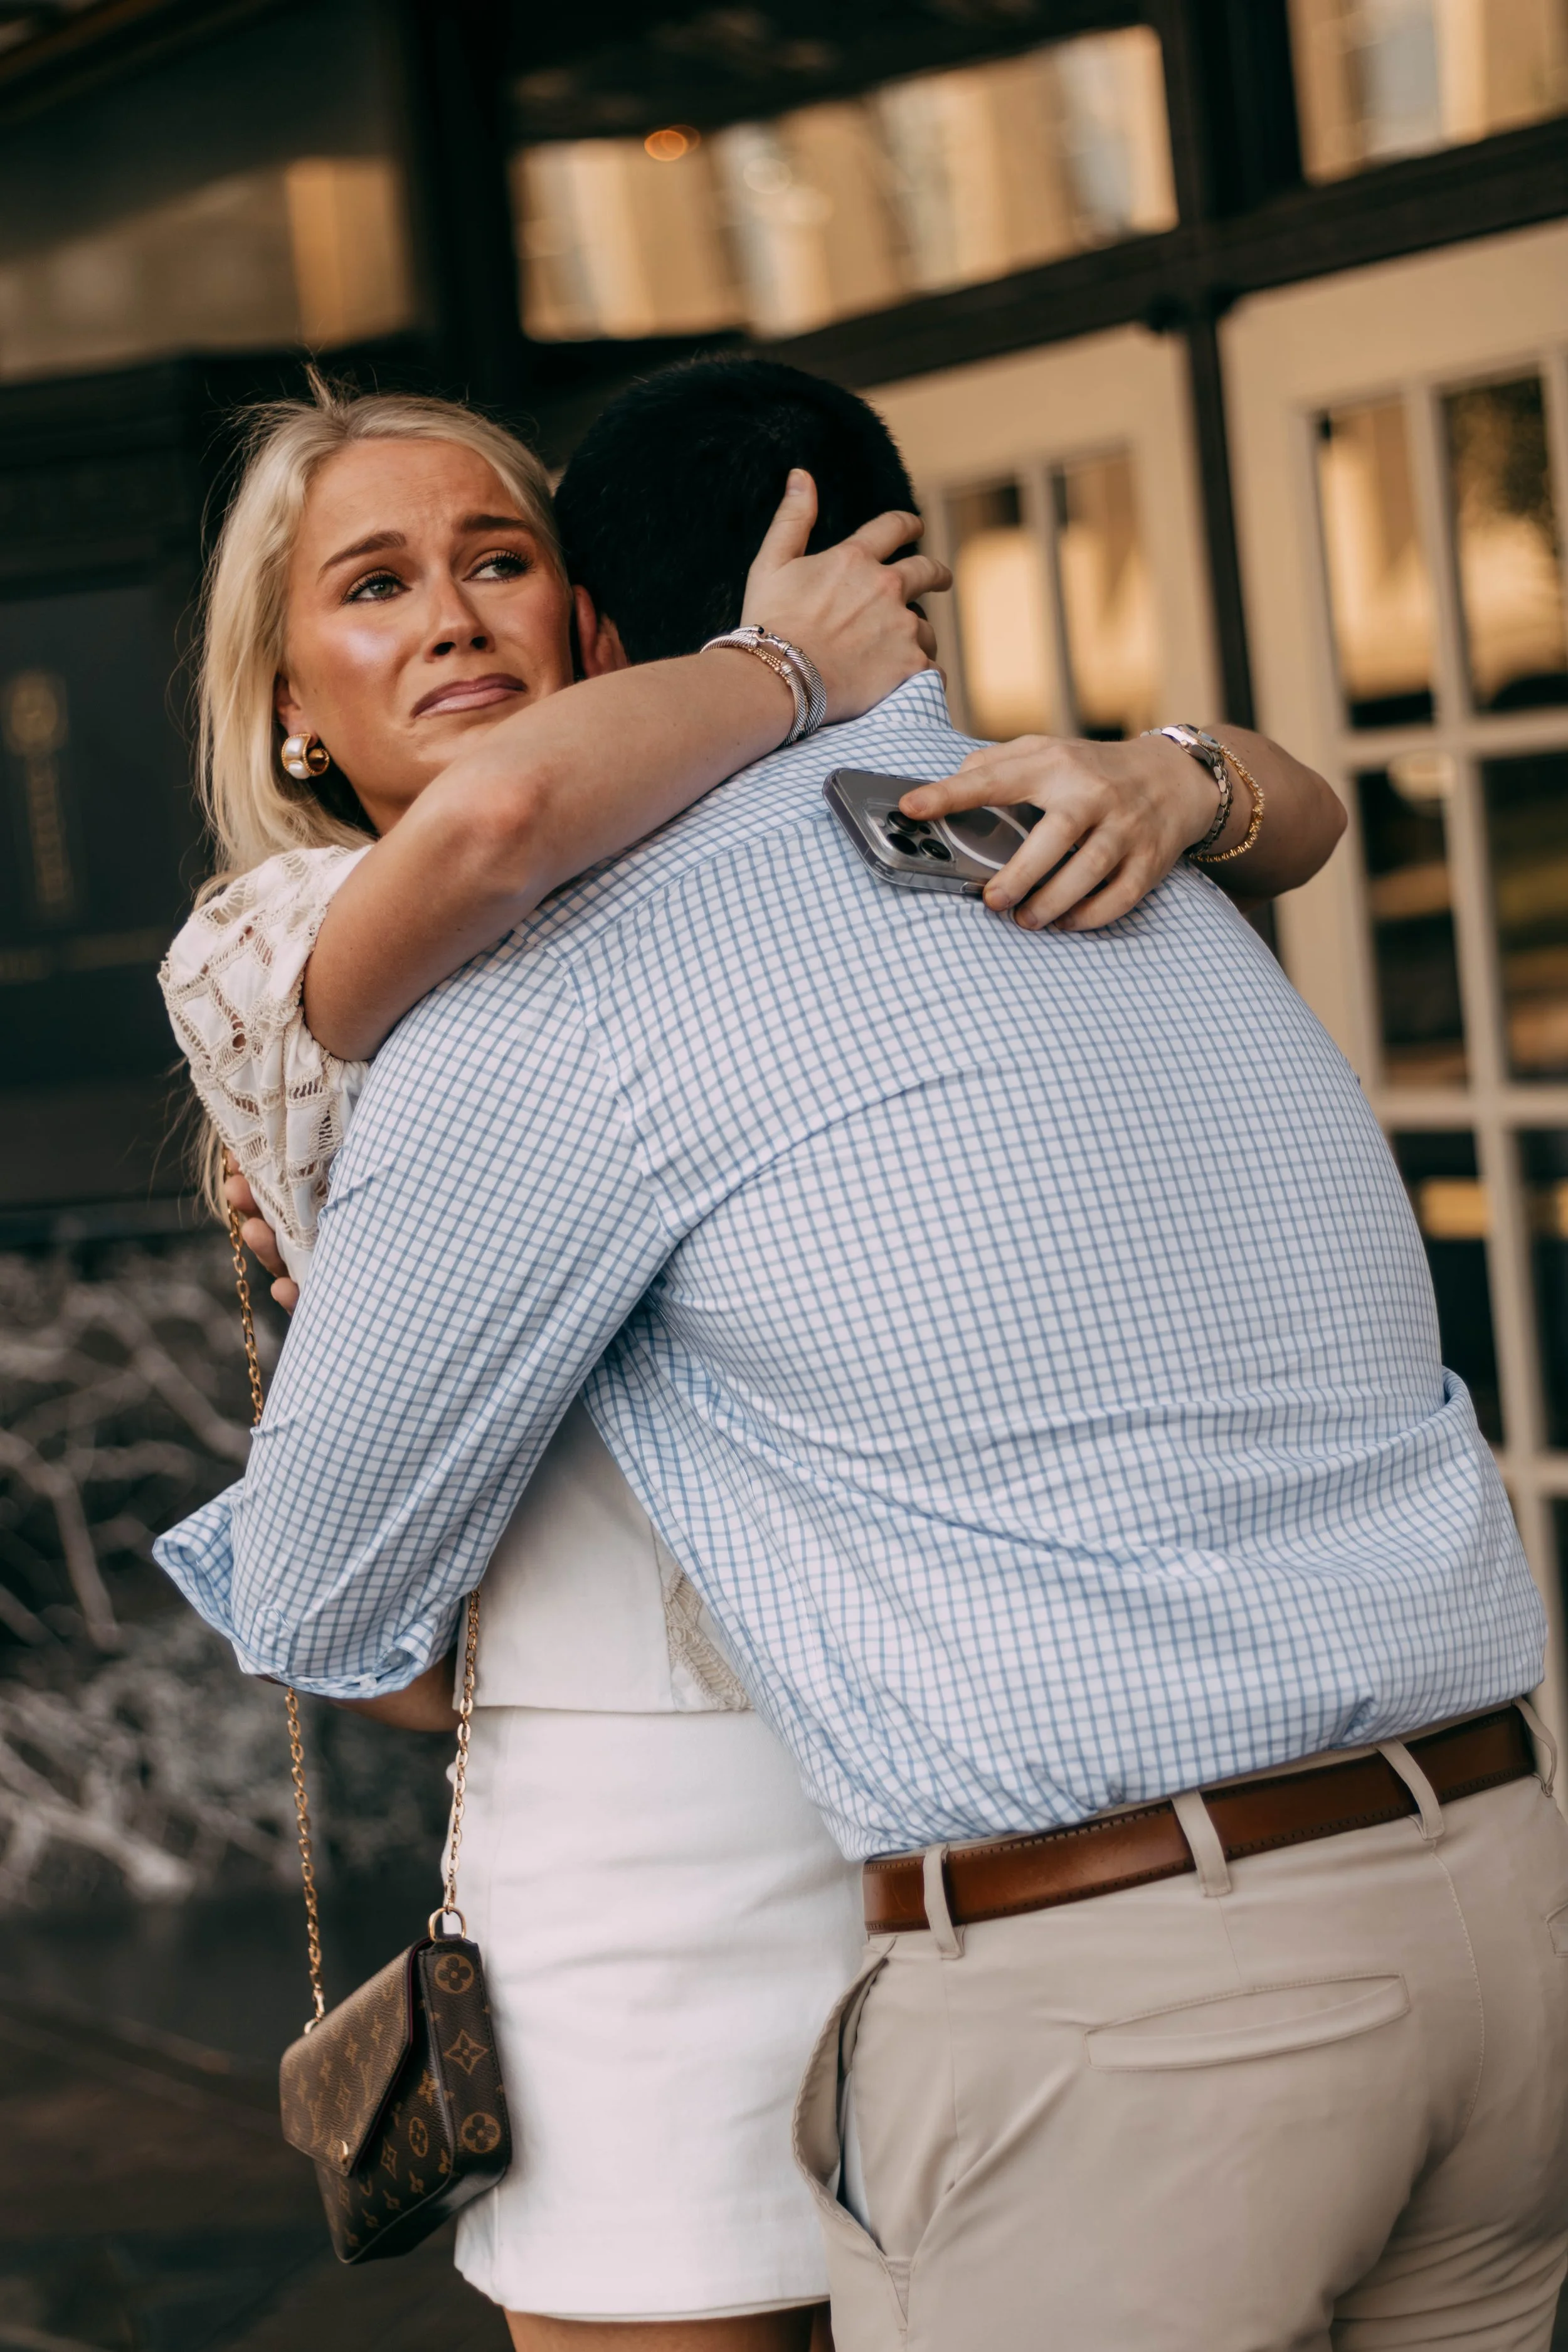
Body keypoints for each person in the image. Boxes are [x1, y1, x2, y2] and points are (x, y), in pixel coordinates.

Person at [157, 354, 1551, 2352]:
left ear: (590, 620)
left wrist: (1184, 767)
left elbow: (310, 1591)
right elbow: (496, 842)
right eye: (375, 586)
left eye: (501, 561)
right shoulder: (382, 946)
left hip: (995, 1866)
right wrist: (834, 682)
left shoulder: (1039, 853)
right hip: (826, 1847)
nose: (457, 616)